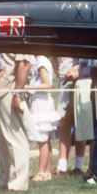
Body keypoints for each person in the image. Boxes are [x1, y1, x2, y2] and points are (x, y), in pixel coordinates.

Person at [0, 52, 32, 192]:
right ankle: (5, 177)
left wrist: (17, 93)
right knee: (0, 139)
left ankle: (19, 181)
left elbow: (25, 64)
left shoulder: (22, 37)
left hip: (9, 90)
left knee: (15, 137)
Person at [26, 54, 59, 182]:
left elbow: (47, 84)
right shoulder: (41, 60)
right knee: (45, 139)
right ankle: (47, 171)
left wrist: (28, 88)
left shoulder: (41, 61)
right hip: (41, 101)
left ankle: (41, 171)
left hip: (41, 102)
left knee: (42, 139)